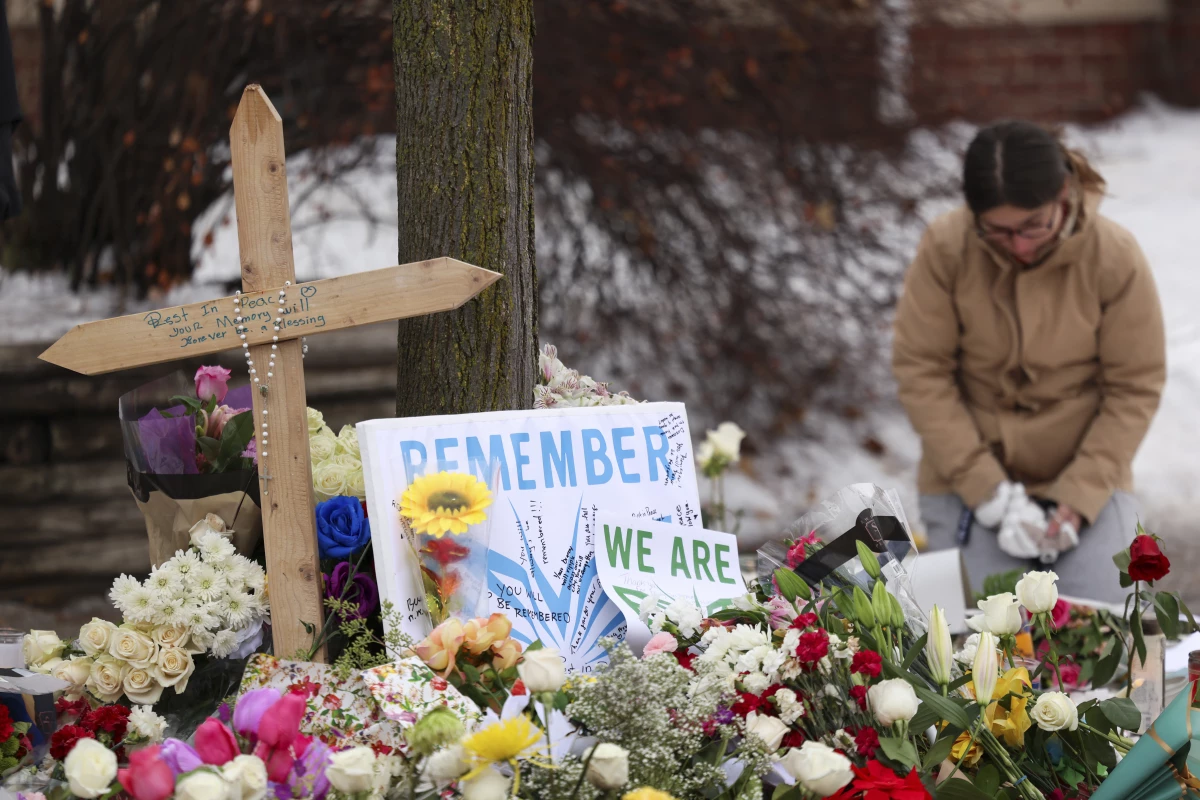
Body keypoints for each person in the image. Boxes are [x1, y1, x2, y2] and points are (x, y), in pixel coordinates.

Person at [892, 120, 1165, 604]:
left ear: (1065, 193)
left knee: (1103, 627)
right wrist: (989, 492)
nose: (1019, 246)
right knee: (973, 637)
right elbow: (922, 372)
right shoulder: (946, 246)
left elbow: (1134, 386)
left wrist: (1079, 498)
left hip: (1088, 478)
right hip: (966, 479)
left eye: (1032, 226)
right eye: (997, 231)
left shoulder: (1115, 256)